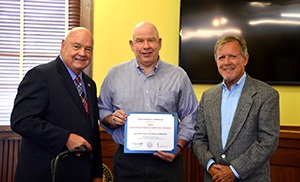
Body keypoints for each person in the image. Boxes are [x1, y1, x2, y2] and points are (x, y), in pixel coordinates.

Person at [98, 21, 198, 182]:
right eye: (140, 41)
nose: (146, 46)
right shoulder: (114, 74)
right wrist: (112, 119)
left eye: (151, 40)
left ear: (159, 43)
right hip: (127, 163)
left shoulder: (178, 75)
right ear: (132, 45)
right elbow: (102, 109)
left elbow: (191, 115)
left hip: (167, 162)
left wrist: (178, 147)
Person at [10, 27, 102, 182]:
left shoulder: (90, 85)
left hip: (81, 175)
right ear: (63, 45)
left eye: (88, 49)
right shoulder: (41, 75)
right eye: (76, 46)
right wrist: (66, 138)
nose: (82, 53)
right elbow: (21, 120)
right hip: (47, 173)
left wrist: (96, 174)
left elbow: (93, 132)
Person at [192, 35, 280, 182]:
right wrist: (210, 165)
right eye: (221, 58)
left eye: (232, 56)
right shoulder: (208, 96)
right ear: (216, 61)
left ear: (245, 59)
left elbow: (268, 141)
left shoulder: (267, 95)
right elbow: (198, 138)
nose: (226, 62)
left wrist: (234, 170)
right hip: (214, 177)